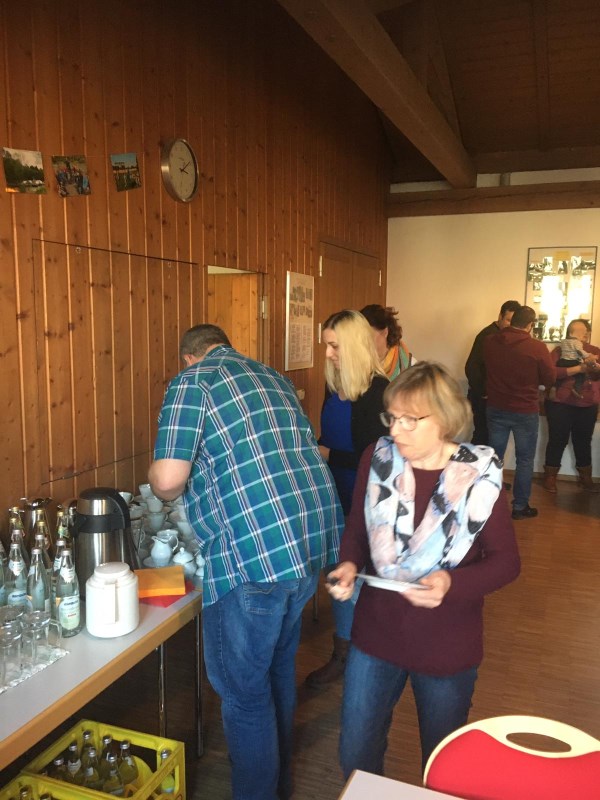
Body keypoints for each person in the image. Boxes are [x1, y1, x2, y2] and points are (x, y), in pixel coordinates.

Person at [148, 324, 344, 800]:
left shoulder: (192, 382)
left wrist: (159, 481)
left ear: (188, 356)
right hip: (306, 543)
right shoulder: (272, 376)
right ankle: (279, 783)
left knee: (241, 690)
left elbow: (169, 478)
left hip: (252, 555)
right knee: (275, 666)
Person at [325, 361, 520, 777]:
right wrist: (348, 564)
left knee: (441, 763)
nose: (396, 431)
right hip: (376, 633)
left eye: (411, 420)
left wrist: (451, 582)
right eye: (392, 417)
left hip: (446, 643)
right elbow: (358, 529)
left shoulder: (478, 474)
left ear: (446, 418)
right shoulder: (377, 458)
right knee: (356, 753)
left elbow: (506, 563)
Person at [305, 310, 388, 688]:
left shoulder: (378, 392)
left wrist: (324, 455)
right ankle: (346, 649)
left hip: (361, 493)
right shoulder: (336, 385)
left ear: (354, 346)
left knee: (352, 571)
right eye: (326, 345)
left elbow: (378, 457)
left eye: (334, 345)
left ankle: (354, 655)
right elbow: (331, 438)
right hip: (331, 489)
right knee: (336, 571)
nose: (328, 353)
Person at [484, 305, 556, 520]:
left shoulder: (490, 342)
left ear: (512, 320)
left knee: (494, 457)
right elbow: (550, 378)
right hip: (524, 410)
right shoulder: (536, 347)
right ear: (531, 325)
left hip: (496, 407)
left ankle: (489, 504)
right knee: (524, 459)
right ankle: (520, 506)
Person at [543, 319, 600, 493]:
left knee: (583, 441)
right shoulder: (559, 351)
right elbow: (551, 373)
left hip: (587, 403)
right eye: (582, 331)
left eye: (586, 331)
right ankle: (550, 478)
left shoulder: (595, 352)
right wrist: (579, 369)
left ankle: (586, 478)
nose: (585, 334)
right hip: (560, 403)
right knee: (557, 440)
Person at [465, 300, 521, 445]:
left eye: (513, 321)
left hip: (496, 397)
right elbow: (471, 367)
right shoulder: (487, 336)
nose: (510, 324)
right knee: (482, 437)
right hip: (484, 397)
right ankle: (473, 467)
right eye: (508, 320)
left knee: (492, 439)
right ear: (500, 316)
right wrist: (483, 392)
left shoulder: (507, 338)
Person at [360, 304, 415, 379]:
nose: (363, 341)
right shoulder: (355, 363)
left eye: (368, 335)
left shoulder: (411, 367)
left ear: (385, 332)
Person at [556, 327, 599, 398]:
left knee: (558, 379)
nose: (584, 335)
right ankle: (576, 388)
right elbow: (579, 351)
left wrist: (595, 368)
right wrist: (587, 357)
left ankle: (554, 387)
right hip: (573, 362)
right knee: (581, 376)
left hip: (562, 360)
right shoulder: (577, 343)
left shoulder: (563, 342)